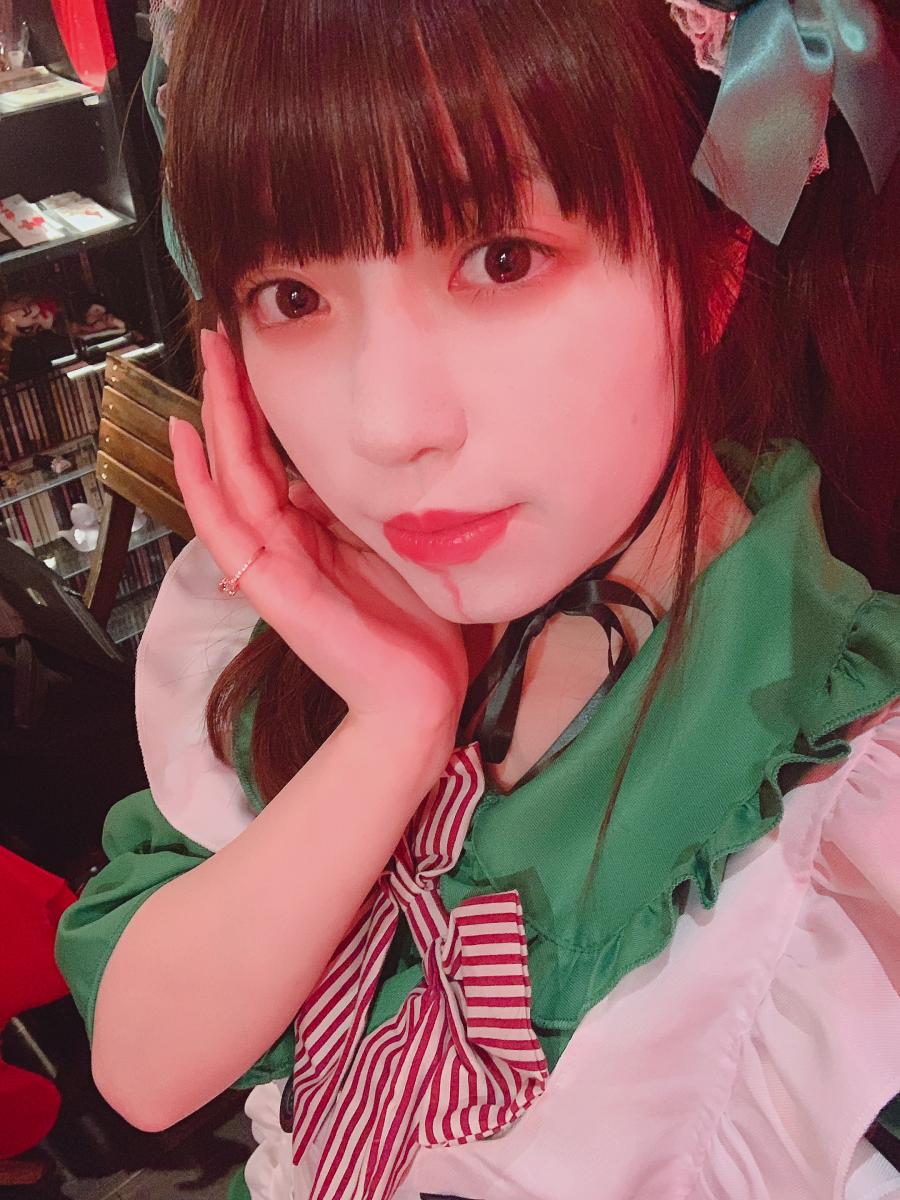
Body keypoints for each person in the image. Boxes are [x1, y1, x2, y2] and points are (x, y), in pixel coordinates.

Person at [56, 1, 900, 1198]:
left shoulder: (850, 806)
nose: (387, 425)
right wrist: (393, 728)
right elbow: (147, 1071)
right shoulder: (287, 612)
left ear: (711, 268)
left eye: (502, 260)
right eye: (291, 295)